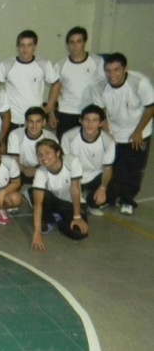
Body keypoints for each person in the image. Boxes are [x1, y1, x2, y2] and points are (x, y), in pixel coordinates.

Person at [92, 52, 154, 216]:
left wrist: (138, 132)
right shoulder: (99, 87)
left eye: (116, 70)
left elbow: (150, 107)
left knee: (134, 169)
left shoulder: (139, 83)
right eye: (108, 70)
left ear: (125, 69)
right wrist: (108, 133)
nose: (112, 74)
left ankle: (127, 200)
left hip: (139, 132)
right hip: (115, 133)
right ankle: (110, 198)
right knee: (113, 167)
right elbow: (100, 112)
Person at [0, 30, 60, 131]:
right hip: (13, 120)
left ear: (34, 47)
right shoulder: (7, 65)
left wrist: (49, 108)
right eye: (22, 45)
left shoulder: (43, 64)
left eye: (29, 45)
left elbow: (56, 84)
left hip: (34, 121)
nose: (25, 49)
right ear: (17, 47)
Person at [30, 139, 88, 252]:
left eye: (47, 152)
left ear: (57, 153)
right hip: (53, 202)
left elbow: (75, 189)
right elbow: (38, 203)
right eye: (40, 154)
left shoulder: (72, 161)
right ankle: (49, 218)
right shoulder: (40, 172)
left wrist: (77, 216)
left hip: (71, 204)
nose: (43, 157)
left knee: (78, 234)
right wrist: (37, 232)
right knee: (37, 195)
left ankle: (57, 219)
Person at [61, 105, 115, 216]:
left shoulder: (108, 141)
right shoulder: (68, 136)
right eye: (87, 120)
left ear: (101, 123)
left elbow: (107, 168)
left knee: (114, 189)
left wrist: (103, 188)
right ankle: (81, 199)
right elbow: (65, 165)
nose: (90, 124)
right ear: (80, 120)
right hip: (73, 177)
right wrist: (75, 187)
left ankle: (91, 202)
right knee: (69, 209)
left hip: (95, 176)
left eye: (95, 120)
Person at [54, 27, 105, 139]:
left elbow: (103, 88)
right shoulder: (60, 65)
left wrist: (103, 111)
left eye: (78, 41)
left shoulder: (97, 61)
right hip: (66, 112)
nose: (75, 45)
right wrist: (51, 113)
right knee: (64, 145)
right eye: (71, 42)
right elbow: (55, 88)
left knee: (89, 145)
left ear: (84, 43)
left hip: (90, 112)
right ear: (67, 45)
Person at [7, 106, 58, 185]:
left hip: (43, 169)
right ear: (25, 122)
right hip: (21, 170)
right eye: (31, 121)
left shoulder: (51, 138)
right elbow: (14, 162)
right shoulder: (15, 135)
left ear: (44, 122)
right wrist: (25, 170)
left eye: (38, 121)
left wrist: (36, 171)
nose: (34, 126)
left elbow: (53, 161)